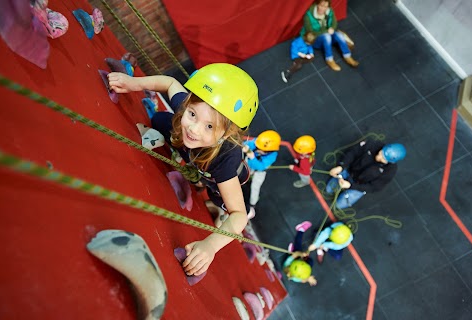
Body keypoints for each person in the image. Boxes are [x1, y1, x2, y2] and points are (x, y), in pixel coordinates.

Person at [107, 63, 259, 277]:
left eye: (209, 126)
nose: (194, 128)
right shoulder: (188, 114)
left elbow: (238, 215)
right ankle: (188, 159)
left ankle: (212, 198)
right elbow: (170, 83)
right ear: (188, 104)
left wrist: (211, 246)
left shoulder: (224, 161)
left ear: (226, 135)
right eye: (192, 114)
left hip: (216, 177)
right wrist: (134, 83)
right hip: (193, 155)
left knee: (220, 201)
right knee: (160, 120)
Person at [326, 140, 407, 209]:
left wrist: (351, 186)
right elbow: (353, 152)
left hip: (359, 186)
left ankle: (350, 192)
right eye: (381, 153)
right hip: (349, 171)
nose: (378, 157)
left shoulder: (389, 171)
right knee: (328, 189)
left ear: (390, 161)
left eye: (383, 158)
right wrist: (341, 166)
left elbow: (373, 187)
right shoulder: (372, 145)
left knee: (339, 205)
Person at [301, 0, 358, 71]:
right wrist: (326, 31)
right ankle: (329, 59)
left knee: (339, 35)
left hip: (328, 34)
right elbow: (310, 32)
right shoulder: (308, 15)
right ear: (317, 4)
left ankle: (347, 56)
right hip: (315, 39)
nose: (323, 8)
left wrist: (332, 28)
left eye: (325, 6)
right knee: (326, 36)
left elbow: (334, 23)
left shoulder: (329, 11)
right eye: (321, 6)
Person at [243, 130, 281, 208]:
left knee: (255, 186)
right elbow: (249, 144)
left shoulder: (272, 156)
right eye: (257, 147)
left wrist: (253, 157)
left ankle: (253, 202)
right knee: (243, 171)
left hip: (259, 171)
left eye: (260, 149)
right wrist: (245, 146)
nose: (258, 149)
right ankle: (247, 177)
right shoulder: (259, 142)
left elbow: (260, 167)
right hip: (249, 163)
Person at [283, 221, 317, 286]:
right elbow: (303, 280)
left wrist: (301, 254)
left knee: (297, 248)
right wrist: (308, 279)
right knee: (311, 262)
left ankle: (300, 230)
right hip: (298, 261)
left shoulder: (287, 264)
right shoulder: (297, 276)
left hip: (295, 257)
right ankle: (294, 252)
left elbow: (295, 254)